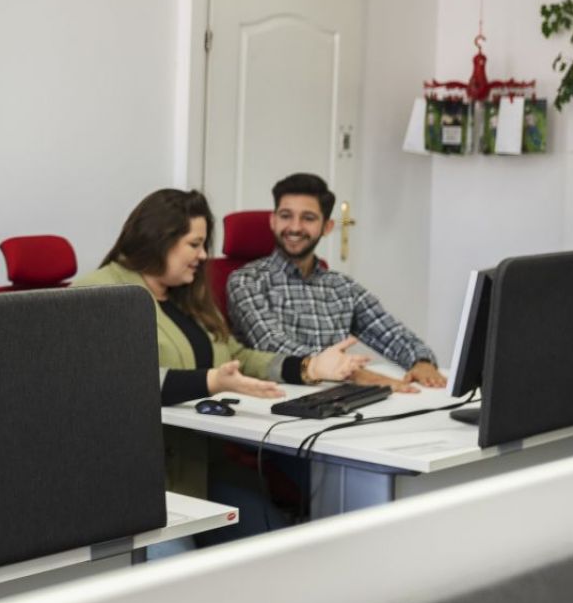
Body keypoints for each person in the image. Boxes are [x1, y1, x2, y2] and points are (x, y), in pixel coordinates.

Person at [71, 189, 366, 497]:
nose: (202, 256)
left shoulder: (185, 294)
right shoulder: (100, 294)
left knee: (279, 518)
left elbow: (237, 357)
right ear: (159, 239)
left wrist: (308, 367)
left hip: (202, 461)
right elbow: (119, 382)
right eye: (194, 244)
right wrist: (211, 381)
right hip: (143, 476)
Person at [226, 173, 446, 390]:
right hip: (274, 400)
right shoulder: (246, 281)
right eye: (286, 216)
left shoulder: (342, 286)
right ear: (273, 221)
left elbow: (390, 332)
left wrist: (421, 362)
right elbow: (271, 344)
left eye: (308, 218)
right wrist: (352, 373)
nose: (295, 227)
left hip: (336, 399)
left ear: (327, 227)